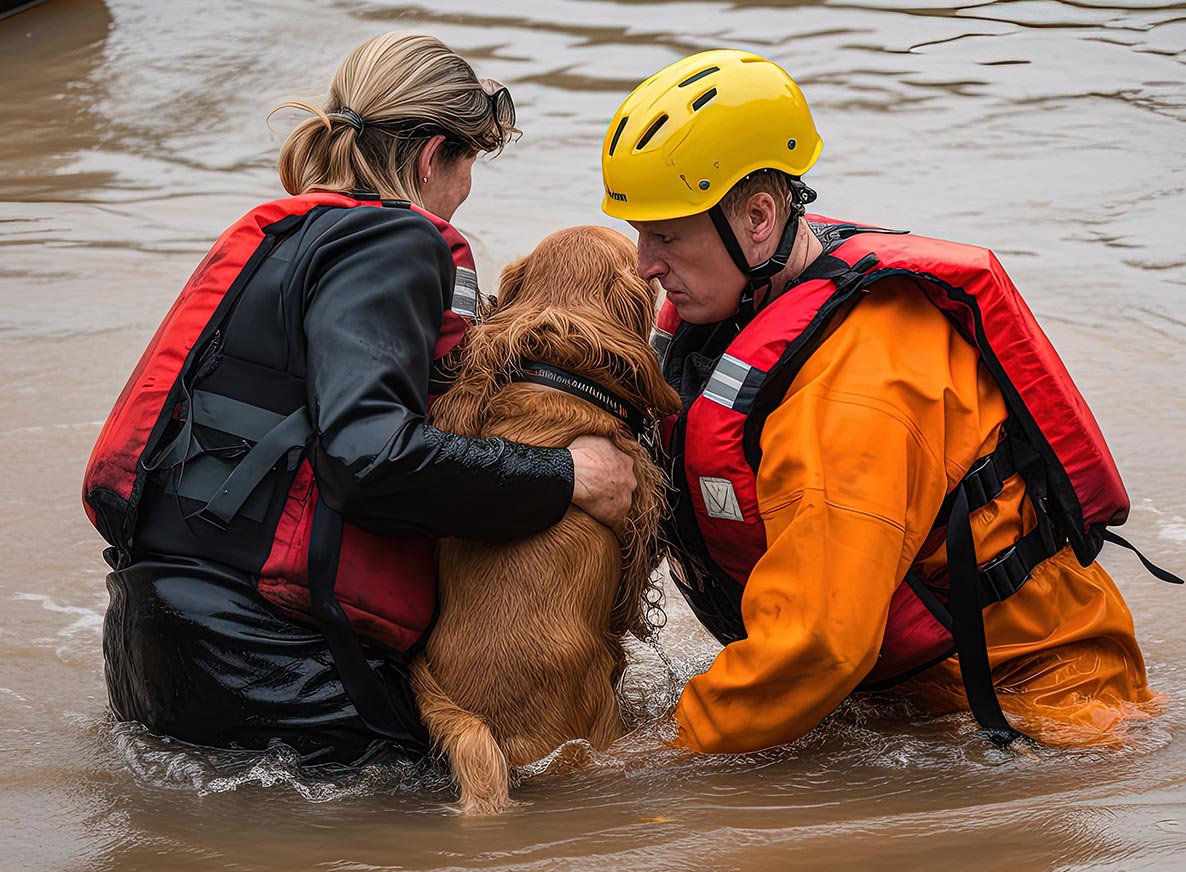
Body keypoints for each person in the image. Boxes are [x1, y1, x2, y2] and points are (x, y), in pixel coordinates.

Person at [83, 32, 637, 768]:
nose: (465, 191)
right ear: (431, 155)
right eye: (469, 164)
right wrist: (568, 476)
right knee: (546, 790)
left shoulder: (284, 235)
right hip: (282, 682)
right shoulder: (394, 243)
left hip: (148, 658)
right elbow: (367, 460)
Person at [600, 49, 1177, 754]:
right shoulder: (757, 289)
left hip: (1044, 718)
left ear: (759, 216)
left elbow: (817, 646)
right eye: (637, 232)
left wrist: (652, 758)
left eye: (666, 235)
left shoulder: (854, 392)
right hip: (914, 693)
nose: (644, 266)